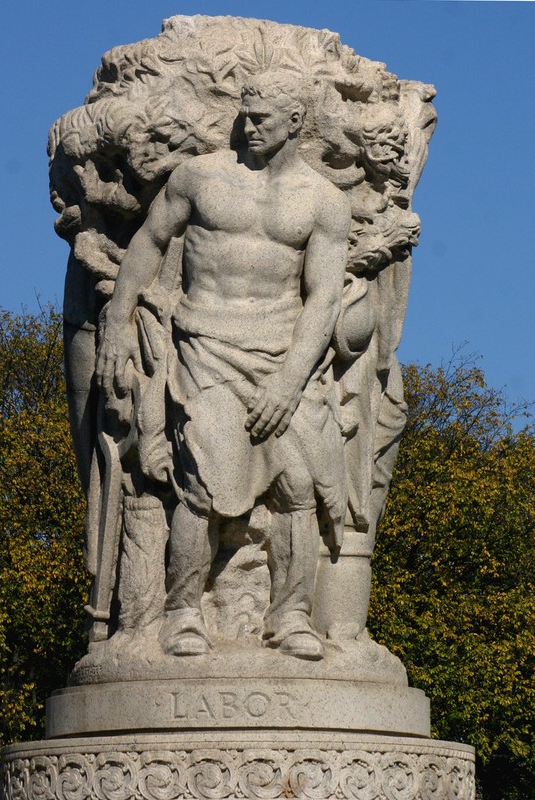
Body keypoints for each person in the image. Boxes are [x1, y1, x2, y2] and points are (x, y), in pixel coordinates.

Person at [96, 71, 351, 660]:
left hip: (282, 358)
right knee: (202, 488)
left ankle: (291, 617)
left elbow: (324, 299)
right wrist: (117, 319)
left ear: (295, 123)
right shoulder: (200, 177)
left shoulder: (322, 201)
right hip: (205, 345)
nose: (250, 125)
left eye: (264, 117)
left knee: (297, 489)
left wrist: (289, 383)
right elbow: (150, 243)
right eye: (246, 113)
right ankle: (183, 610)